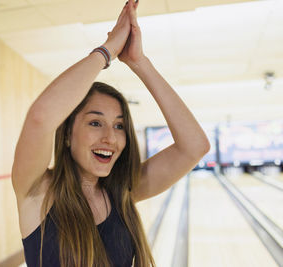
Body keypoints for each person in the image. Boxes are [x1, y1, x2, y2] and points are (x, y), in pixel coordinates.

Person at [12, 0, 210, 266]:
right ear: (68, 134)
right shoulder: (39, 192)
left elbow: (194, 146)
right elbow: (40, 118)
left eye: (119, 126)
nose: (110, 137)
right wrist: (106, 52)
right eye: (95, 123)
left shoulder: (124, 191)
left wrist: (139, 62)